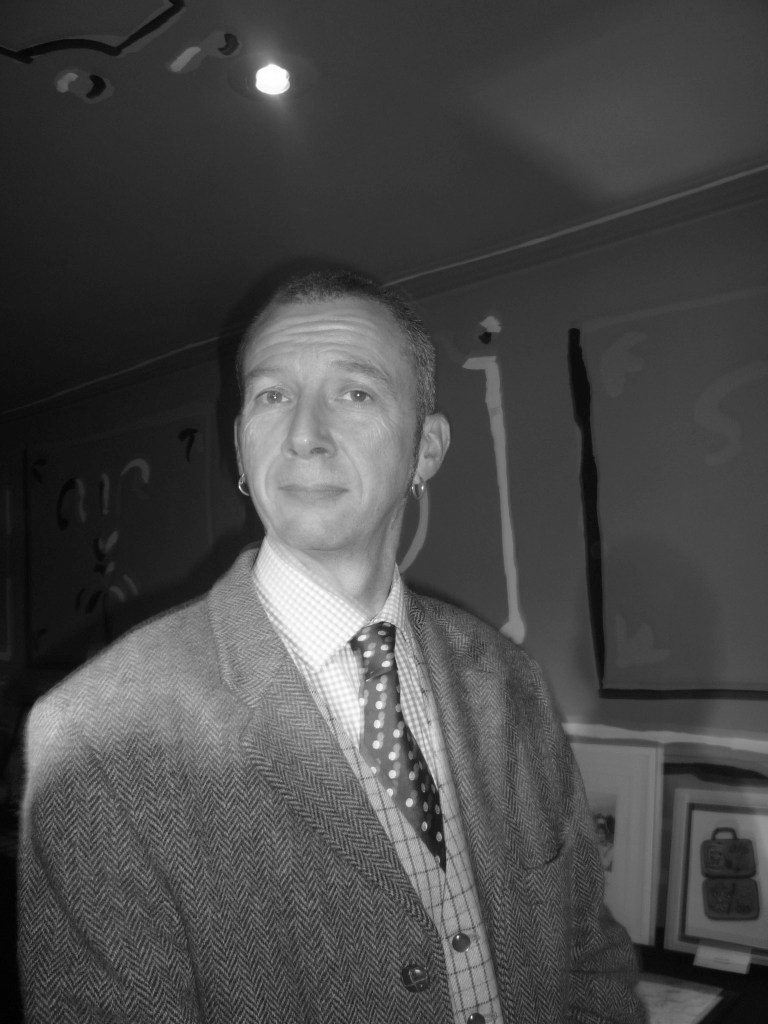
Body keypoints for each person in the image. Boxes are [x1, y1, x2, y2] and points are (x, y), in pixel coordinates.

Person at [19, 269, 646, 1023]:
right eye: (272, 396)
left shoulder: (508, 682)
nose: (304, 435)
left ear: (426, 449)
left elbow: (588, 956)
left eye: (355, 393)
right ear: (241, 447)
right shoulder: (94, 738)